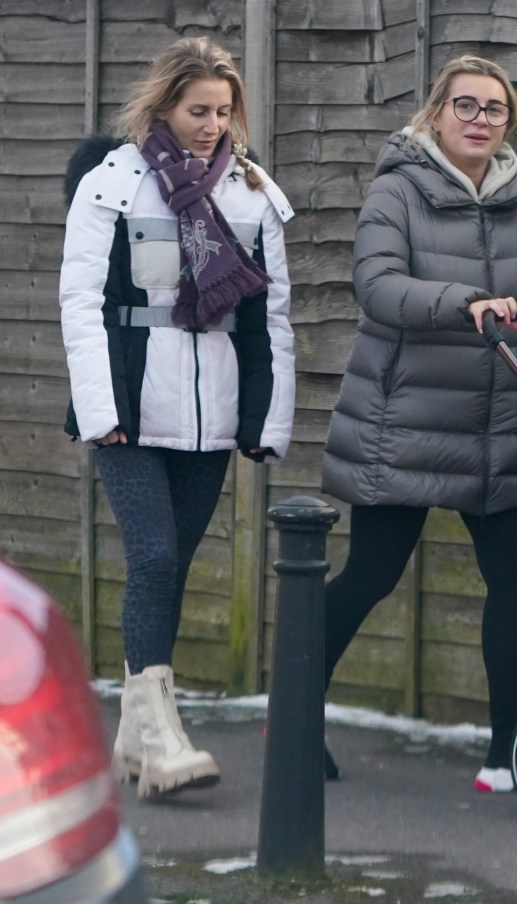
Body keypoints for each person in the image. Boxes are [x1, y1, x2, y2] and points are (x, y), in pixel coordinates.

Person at [321, 54, 517, 793]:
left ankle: (503, 756)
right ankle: (294, 713)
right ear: (435, 114)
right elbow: (379, 286)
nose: (481, 120)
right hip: (409, 421)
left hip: (504, 424)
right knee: (370, 573)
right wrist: (467, 300)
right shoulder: (397, 192)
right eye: (467, 105)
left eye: (495, 109)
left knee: (516, 582)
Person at [59, 36, 296, 800]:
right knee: (155, 559)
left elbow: (275, 319)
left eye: (224, 112)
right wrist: (100, 412)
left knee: (168, 572)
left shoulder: (252, 193)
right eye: (199, 110)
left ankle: (135, 738)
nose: (212, 124)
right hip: (128, 412)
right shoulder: (113, 183)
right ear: (163, 105)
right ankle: (160, 741)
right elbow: (80, 306)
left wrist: (266, 419)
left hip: (211, 419)